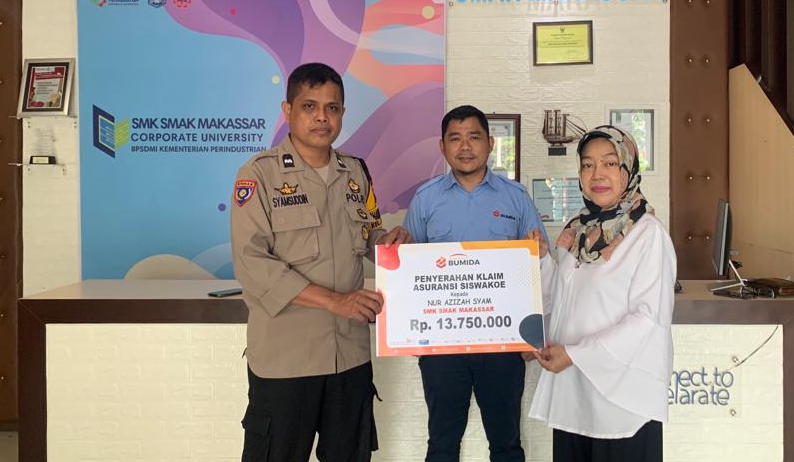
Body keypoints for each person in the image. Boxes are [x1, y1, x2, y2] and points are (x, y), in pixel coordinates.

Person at [231, 62, 410, 462]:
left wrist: (388, 243)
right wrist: (335, 301)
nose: (322, 117)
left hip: (349, 356)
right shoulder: (259, 175)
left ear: (342, 113)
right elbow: (251, 263)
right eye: (309, 106)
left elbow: (368, 234)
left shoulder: (355, 172)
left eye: (332, 108)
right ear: (288, 110)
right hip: (286, 359)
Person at [402, 105, 549, 462]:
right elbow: (409, 272)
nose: (465, 146)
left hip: (503, 344)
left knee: (506, 445)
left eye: (474, 137)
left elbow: (540, 267)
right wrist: (409, 331)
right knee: (442, 445)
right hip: (442, 347)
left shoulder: (515, 197)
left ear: (490, 143)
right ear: (442, 146)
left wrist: (539, 253)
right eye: (455, 138)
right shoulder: (425, 199)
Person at [528, 125, 676, 462]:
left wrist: (576, 354)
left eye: (609, 163)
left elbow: (647, 320)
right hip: (574, 398)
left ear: (628, 170)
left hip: (622, 403)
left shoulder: (647, 234)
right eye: (587, 164)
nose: (597, 174)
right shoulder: (576, 230)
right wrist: (540, 260)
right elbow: (562, 298)